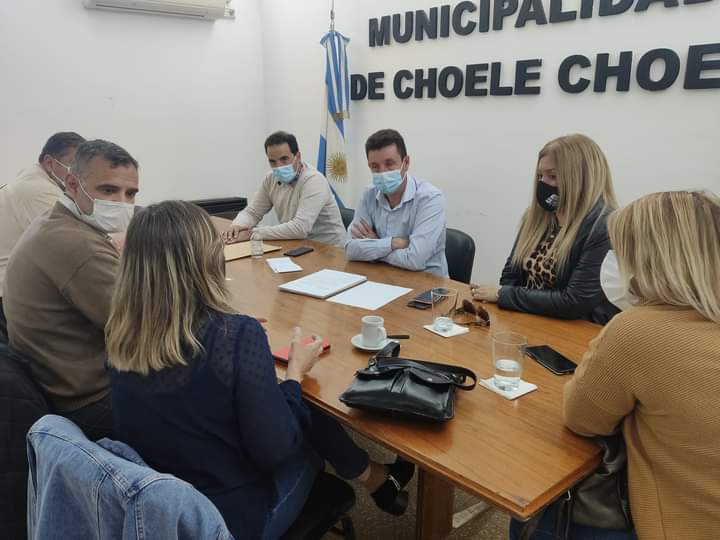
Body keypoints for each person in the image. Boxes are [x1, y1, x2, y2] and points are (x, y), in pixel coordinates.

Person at [107, 201, 415, 540]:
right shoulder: (236, 335)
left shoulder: (121, 333)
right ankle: (373, 477)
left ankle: (376, 476)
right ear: (205, 261)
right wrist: (295, 372)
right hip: (227, 521)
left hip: (158, 508)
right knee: (308, 414)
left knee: (291, 406)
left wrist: (231, 334)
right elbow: (277, 450)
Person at [512, 191, 720, 540]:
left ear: (653, 261)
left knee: (530, 513)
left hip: (673, 526)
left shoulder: (639, 331)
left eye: (623, 254)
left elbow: (581, 417)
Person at [2, 139, 139, 440]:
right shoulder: (77, 246)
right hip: (90, 402)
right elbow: (145, 326)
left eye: (130, 193)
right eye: (108, 190)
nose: (121, 203)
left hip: (56, 383)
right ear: (72, 184)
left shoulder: (55, 223)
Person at [471, 134, 619, 324]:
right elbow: (510, 274)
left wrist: (504, 295)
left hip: (575, 330)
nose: (543, 183)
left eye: (553, 176)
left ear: (581, 178)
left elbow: (574, 301)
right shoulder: (537, 216)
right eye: (540, 175)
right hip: (528, 319)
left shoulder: (604, 226)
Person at [0, 132, 86, 342]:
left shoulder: (30, 181)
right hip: (7, 296)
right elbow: (71, 244)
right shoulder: (38, 190)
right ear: (49, 161)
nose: (78, 173)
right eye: (72, 165)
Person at [345, 129, 448, 276]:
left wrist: (376, 245)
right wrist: (393, 243)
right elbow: (350, 250)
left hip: (427, 285)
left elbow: (415, 260)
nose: (382, 172)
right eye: (375, 166)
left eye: (389, 164)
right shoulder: (368, 194)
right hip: (381, 278)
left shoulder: (430, 198)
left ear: (406, 163)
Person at [223, 131, 345, 247]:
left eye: (284, 159)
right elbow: (253, 212)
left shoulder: (313, 180)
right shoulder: (270, 179)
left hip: (330, 250)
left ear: (297, 156)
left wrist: (252, 234)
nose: (278, 166)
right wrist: (237, 226)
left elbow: (300, 228)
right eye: (272, 161)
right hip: (297, 245)